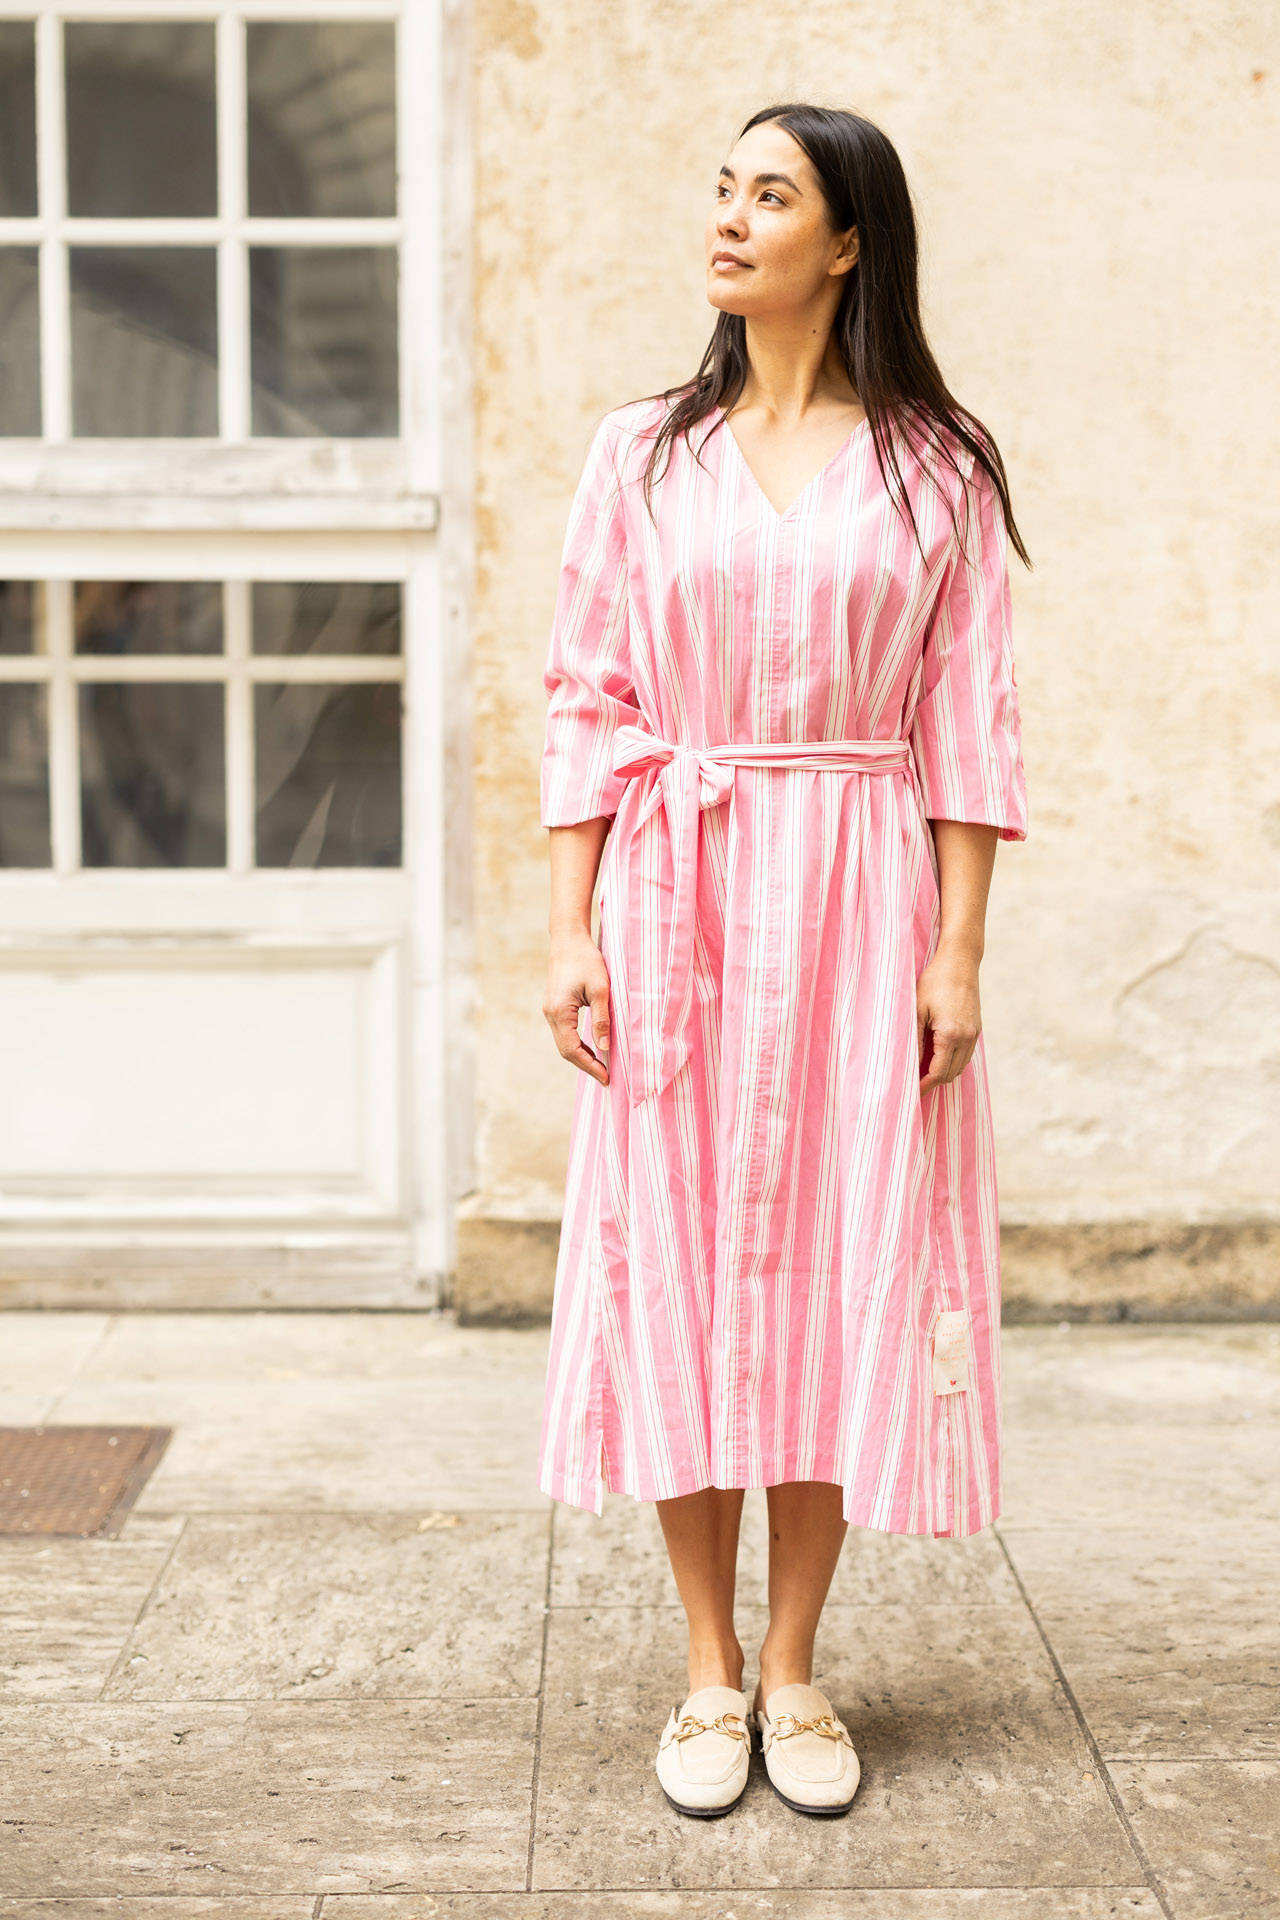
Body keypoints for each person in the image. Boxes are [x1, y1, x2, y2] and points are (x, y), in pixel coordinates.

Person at [539, 102, 1028, 1820]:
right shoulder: (639, 454)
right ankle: (706, 1668)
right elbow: (587, 693)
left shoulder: (937, 466)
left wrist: (957, 952)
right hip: (677, 886)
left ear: (849, 242)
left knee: (841, 1257)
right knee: (676, 1257)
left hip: (859, 896)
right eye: (724, 190)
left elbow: (970, 720)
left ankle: (799, 1665)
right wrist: (570, 925)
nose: (730, 219)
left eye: (772, 196)